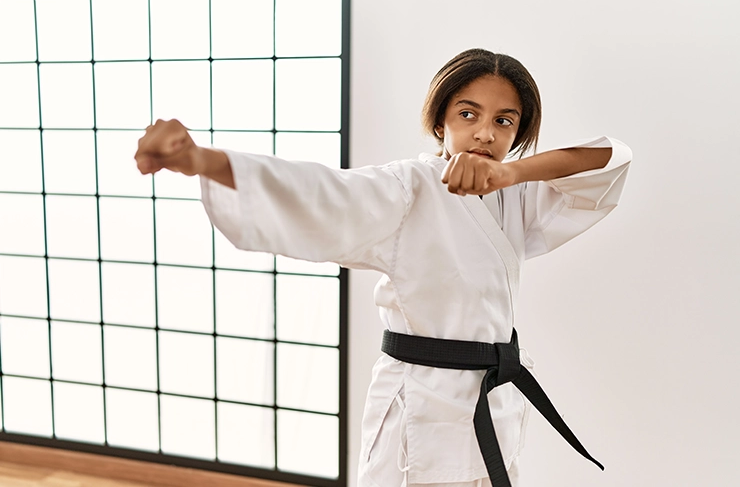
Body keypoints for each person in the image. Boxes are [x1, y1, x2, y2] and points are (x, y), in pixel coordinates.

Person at [135, 49, 631, 487]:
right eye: (468, 113)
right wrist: (203, 160)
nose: (485, 132)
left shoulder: (514, 196)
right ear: (441, 122)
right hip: (421, 408)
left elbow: (610, 160)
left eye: (505, 121)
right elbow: (320, 193)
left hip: (493, 404)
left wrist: (509, 171)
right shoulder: (407, 188)